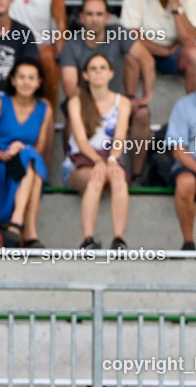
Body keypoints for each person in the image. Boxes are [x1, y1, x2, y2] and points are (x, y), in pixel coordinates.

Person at [61, 0, 155, 180]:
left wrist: (146, 96)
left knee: (143, 114)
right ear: (81, 17)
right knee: (71, 119)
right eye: (89, 14)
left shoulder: (118, 33)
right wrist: (97, 104)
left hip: (117, 99)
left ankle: (137, 175)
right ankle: (73, 167)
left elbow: (147, 60)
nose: (94, 19)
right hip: (84, 99)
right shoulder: (72, 44)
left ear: (107, 16)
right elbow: (70, 88)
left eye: (99, 14)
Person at [0, 58, 52, 248]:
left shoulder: (45, 109)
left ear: (38, 83)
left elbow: (40, 146)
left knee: (31, 157)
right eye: (21, 77)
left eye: (31, 78)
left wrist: (22, 151)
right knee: (33, 164)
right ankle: (26, 230)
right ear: (12, 80)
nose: (26, 82)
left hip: (25, 165)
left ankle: (18, 222)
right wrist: (4, 155)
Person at [64, 53, 131, 249]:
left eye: (103, 68)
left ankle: (119, 239)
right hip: (80, 163)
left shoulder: (123, 103)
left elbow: (119, 138)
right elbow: (82, 141)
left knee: (118, 176)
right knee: (97, 176)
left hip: (109, 158)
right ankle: (87, 239)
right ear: (85, 75)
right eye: (93, 69)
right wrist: (99, 161)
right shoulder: (75, 102)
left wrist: (111, 160)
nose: (98, 72)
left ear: (111, 74)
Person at [120, 0, 196, 94]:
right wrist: (165, 51)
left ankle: (191, 107)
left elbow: (190, 39)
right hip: (144, 49)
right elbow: (130, 35)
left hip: (175, 52)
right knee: (131, 52)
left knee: (194, 55)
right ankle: (130, 103)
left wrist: (175, 5)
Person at [9, 0, 66, 107]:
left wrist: (60, 48)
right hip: (10, 42)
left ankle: (49, 115)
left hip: (40, 45)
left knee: (49, 56)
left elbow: (61, 25)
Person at [166, 90, 196, 249]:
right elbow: (178, 150)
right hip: (191, 166)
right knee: (185, 182)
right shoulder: (183, 106)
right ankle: (189, 242)